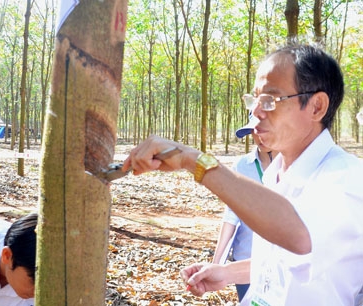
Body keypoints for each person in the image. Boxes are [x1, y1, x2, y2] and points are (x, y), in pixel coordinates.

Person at [122, 44, 363, 305]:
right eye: (254, 99)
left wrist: (194, 161)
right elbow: (288, 259)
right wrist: (227, 272)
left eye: (270, 100)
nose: (256, 112)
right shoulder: (275, 173)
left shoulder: (347, 178)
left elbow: (299, 237)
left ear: (317, 106)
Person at [212, 114, 277, 301]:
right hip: (245, 259)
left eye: (265, 130)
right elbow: (231, 215)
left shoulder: (292, 166)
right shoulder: (243, 165)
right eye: (254, 131)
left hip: (280, 262)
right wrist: (217, 263)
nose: (260, 137)